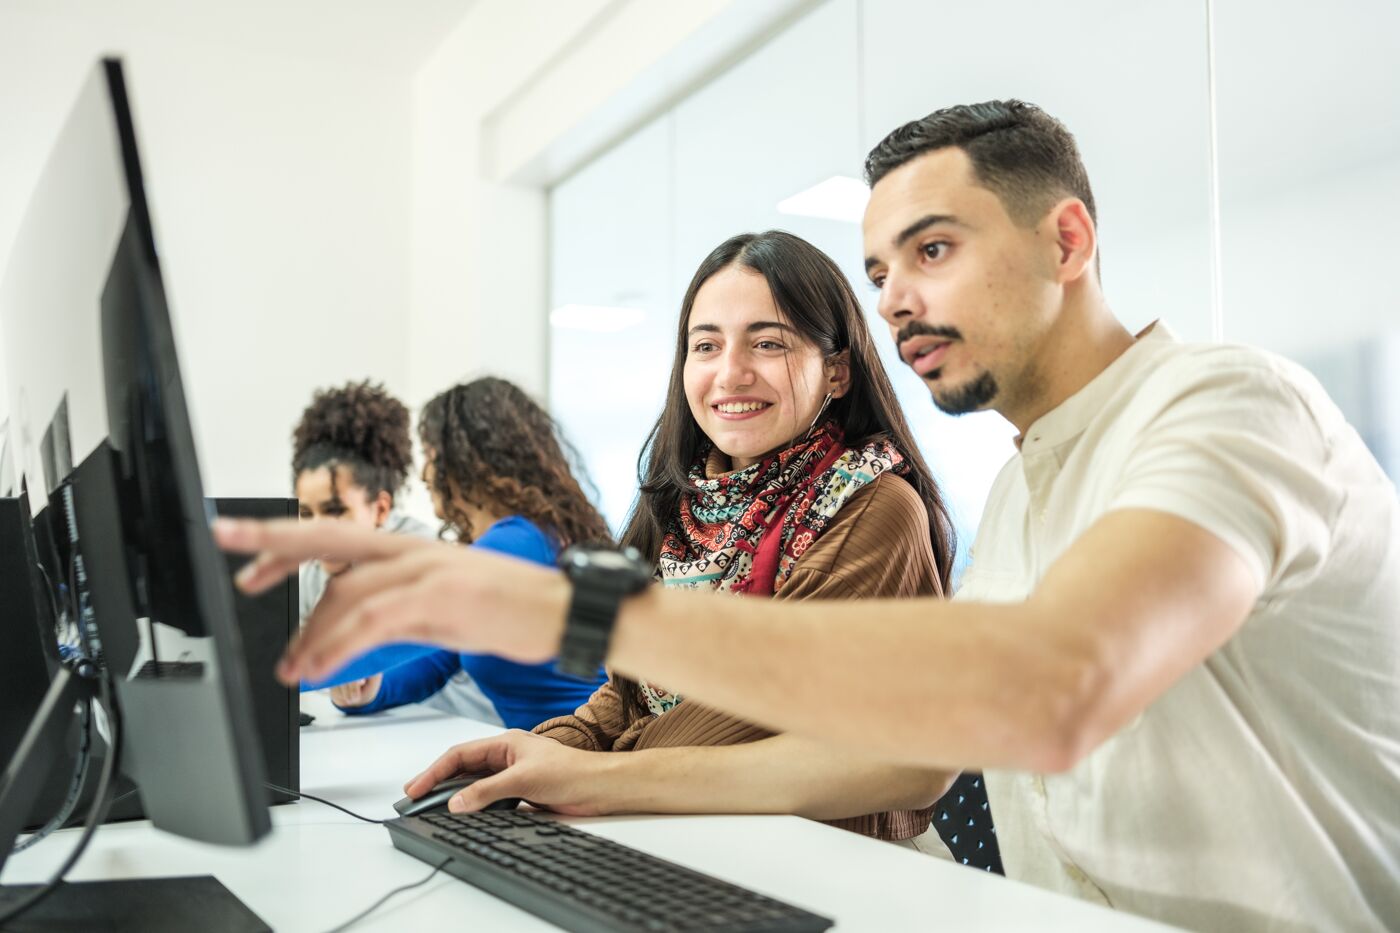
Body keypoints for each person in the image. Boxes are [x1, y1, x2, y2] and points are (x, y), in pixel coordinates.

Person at [223, 101, 1400, 932]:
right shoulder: (1028, 486)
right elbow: (901, 753)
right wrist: (575, 775)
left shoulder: (1226, 406)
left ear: (1068, 239)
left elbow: (1045, 694)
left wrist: (559, 606)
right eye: (881, 269)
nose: (896, 299)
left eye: (931, 251)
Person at [415, 231, 987, 855]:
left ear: (838, 370)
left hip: (836, 860)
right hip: (689, 836)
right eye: (706, 345)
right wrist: (547, 750)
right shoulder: (675, 504)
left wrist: (594, 775)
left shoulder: (872, 506)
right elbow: (629, 693)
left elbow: (753, 715)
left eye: (768, 343)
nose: (730, 372)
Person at [303, 377, 611, 731]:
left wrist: (263, 673)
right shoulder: (517, 542)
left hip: (583, 756)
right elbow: (434, 664)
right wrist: (370, 693)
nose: (423, 472)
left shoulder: (520, 543)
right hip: (547, 753)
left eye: (431, 455)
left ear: (468, 463)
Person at [291, 380, 499, 723]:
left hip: (453, 726)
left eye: (336, 511)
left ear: (380, 509)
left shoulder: (421, 559)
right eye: (305, 514)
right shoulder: (318, 573)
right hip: (388, 729)